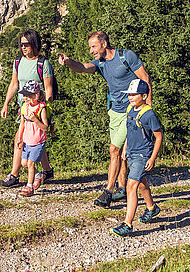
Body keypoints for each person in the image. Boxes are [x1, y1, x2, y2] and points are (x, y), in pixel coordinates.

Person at [58, 31, 151, 207]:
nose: (91, 51)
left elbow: (145, 79)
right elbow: (83, 67)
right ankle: (123, 189)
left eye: (93, 46)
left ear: (104, 44)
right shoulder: (100, 63)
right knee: (122, 155)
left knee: (114, 150)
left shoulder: (126, 56)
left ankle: (108, 191)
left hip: (132, 110)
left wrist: (147, 110)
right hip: (114, 112)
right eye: (90, 47)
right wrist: (68, 62)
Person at [0, 30, 55, 187]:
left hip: (37, 108)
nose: (23, 47)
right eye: (21, 44)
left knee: (21, 138)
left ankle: (14, 174)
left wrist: (46, 113)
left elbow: (48, 89)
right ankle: (47, 170)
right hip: (23, 107)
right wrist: (6, 104)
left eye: (26, 44)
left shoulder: (44, 64)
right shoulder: (18, 62)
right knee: (35, 140)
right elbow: (14, 84)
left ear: (34, 44)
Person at [111, 79, 162, 236]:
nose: (131, 97)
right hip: (132, 153)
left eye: (134, 94)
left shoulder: (149, 114)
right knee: (141, 184)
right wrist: (125, 147)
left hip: (142, 155)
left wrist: (152, 158)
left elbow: (158, 137)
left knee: (131, 186)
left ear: (144, 96)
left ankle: (127, 224)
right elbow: (130, 130)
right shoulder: (130, 109)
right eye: (129, 94)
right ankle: (152, 208)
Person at [15, 80, 50, 196]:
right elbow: (22, 124)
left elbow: (45, 127)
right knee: (24, 163)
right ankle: (38, 175)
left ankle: (29, 187)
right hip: (27, 140)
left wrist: (35, 120)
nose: (25, 98)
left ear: (36, 96)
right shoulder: (25, 107)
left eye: (28, 96)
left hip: (38, 141)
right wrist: (20, 138)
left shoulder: (41, 108)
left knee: (30, 164)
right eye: (25, 96)